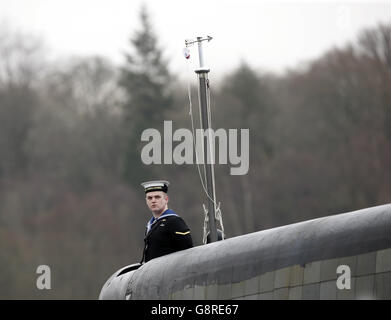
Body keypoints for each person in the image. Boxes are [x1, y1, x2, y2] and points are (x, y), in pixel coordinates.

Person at [140, 180, 193, 263]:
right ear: (146, 201)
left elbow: (188, 252)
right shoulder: (151, 224)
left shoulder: (175, 221)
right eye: (150, 198)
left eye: (157, 197)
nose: (153, 200)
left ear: (166, 199)